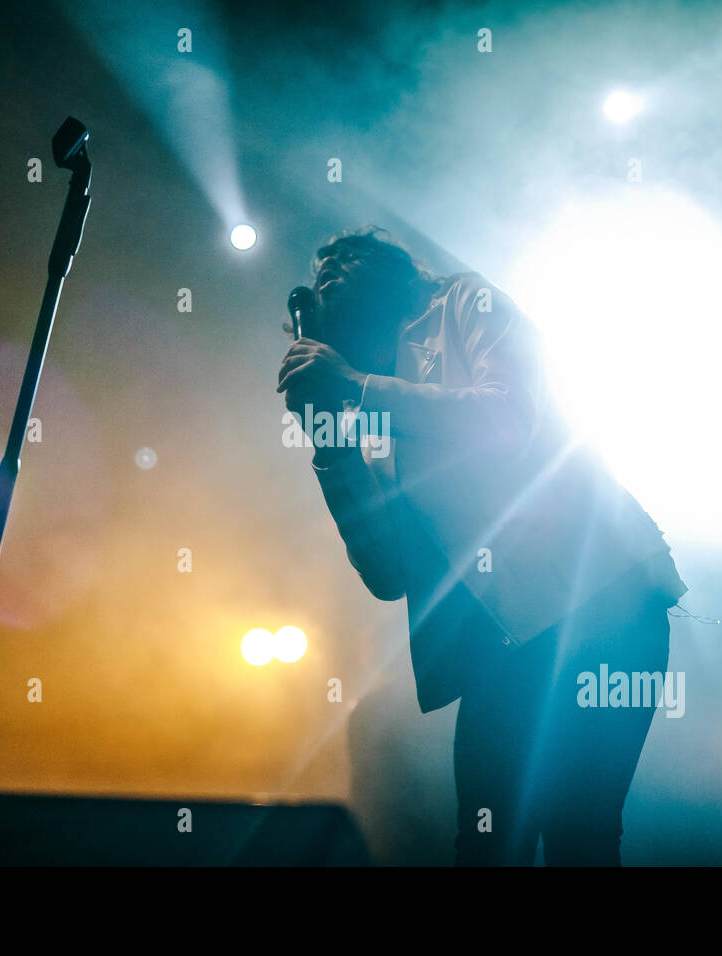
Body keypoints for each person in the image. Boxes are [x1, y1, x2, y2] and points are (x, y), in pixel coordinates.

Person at [277, 227, 687, 865]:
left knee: (582, 834)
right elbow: (388, 573)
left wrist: (354, 386)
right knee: (489, 844)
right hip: (506, 643)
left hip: (603, 606)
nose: (327, 273)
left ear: (393, 271)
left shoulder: (464, 302)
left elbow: (505, 420)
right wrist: (330, 450)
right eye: (319, 270)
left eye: (344, 260)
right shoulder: (372, 414)